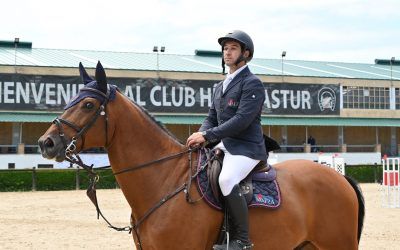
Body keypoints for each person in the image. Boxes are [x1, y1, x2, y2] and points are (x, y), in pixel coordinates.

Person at [186, 30, 266, 250]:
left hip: (246, 148)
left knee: (226, 179)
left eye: (233, 48)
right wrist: (200, 135)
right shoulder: (220, 86)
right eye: (225, 48)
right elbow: (211, 117)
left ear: (245, 53)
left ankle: (242, 240)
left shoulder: (252, 83)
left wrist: (208, 135)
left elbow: (242, 120)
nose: (227, 53)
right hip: (223, 146)